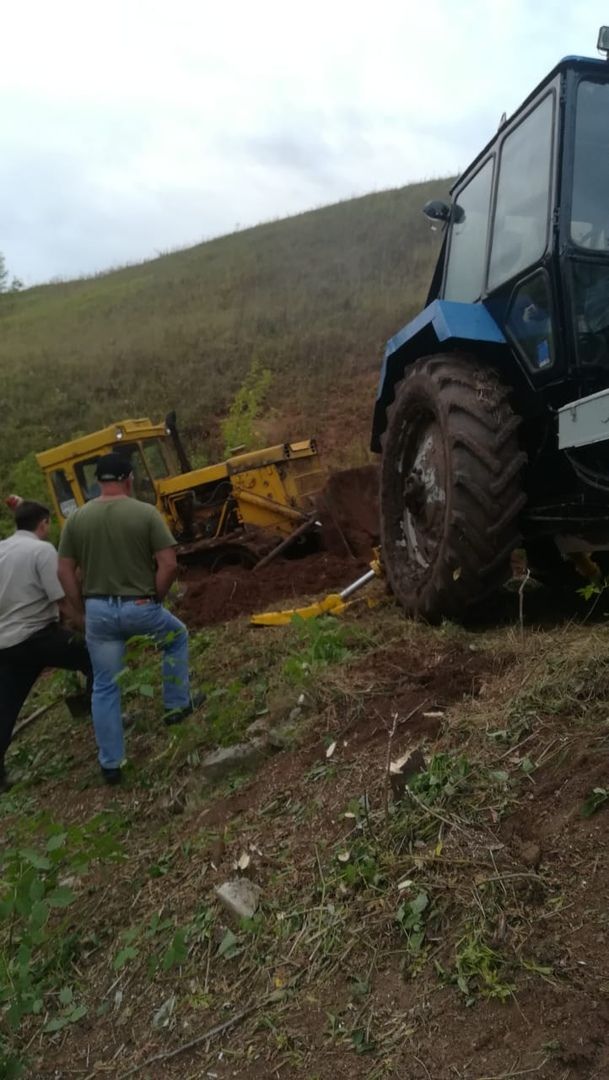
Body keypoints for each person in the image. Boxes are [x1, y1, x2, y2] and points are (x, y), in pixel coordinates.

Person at [57, 452, 201, 785]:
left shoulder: (77, 519)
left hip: (99, 613)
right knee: (176, 637)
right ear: (129, 479)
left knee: (105, 686)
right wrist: (154, 599)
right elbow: (169, 564)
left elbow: (64, 569)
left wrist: (80, 611)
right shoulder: (145, 513)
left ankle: (111, 764)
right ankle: (176, 706)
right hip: (139, 605)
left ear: (98, 482)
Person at [0, 500, 92, 792]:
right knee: (95, 657)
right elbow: (61, 599)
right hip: (37, 635)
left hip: (7, 642)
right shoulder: (42, 550)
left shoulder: (2, 549)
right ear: (44, 523)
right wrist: (82, 623)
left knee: (6, 706)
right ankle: (101, 717)